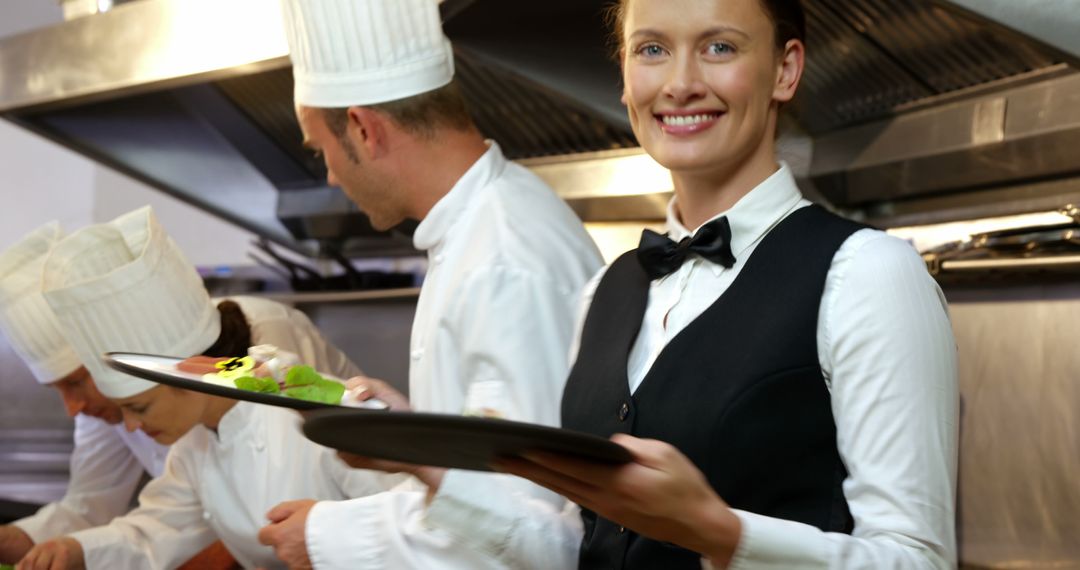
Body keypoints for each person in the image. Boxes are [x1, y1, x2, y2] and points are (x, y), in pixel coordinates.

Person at [415, 0, 960, 568]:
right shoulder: (604, 290)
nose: (680, 84)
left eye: (718, 48)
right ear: (624, 78)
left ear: (785, 69)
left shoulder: (867, 274)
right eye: (652, 50)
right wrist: (424, 462)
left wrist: (717, 532)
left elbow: (916, 559)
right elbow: (589, 545)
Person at [255, 0, 604, 567]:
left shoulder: (505, 257)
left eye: (322, 151)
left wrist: (326, 537)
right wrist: (407, 434)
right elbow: (486, 473)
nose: (330, 175)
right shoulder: (477, 230)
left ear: (365, 130)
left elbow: (545, 530)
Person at [15, 207, 400, 570]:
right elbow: (156, 529)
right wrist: (73, 548)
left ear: (192, 376)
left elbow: (418, 519)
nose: (129, 428)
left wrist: (323, 536)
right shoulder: (194, 446)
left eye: (140, 408)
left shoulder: (308, 402)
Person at [0, 222, 169, 564]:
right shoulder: (102, 410)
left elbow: (199, 521)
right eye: (57, 389)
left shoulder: (251, 355)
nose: (72, 408)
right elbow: (90, 508)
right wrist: (16, 539)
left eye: (75, 381)